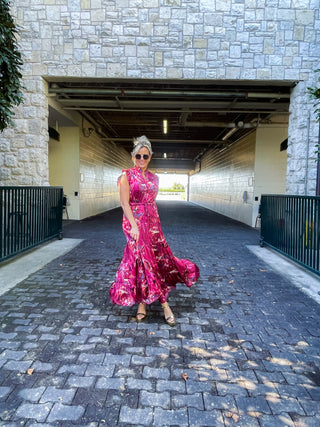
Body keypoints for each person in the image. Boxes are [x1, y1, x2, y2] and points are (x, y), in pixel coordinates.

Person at [109, 135, 200, 326]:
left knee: (153, 261)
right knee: (144, 260)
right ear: (133, 156)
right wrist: (134, 226)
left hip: (152, 223)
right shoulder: (126, 175)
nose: (141, 160)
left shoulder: (154, 178)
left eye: (145, 156)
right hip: (134, 223)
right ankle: (165, 305)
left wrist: (154, 225)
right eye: (138, 156)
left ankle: (142, 304)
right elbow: (125, 203)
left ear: (150, 157)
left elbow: (151, 203)